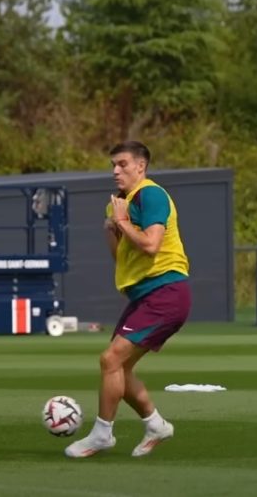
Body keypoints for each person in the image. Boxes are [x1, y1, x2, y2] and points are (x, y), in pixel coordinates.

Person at [65, 141, 191, 458]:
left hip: (166, 291)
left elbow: (151, 245)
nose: (115, 171)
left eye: (122, 164)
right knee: (120, 369)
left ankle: (102, 434)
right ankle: (156, 424)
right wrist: (112, 229)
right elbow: (121, 257)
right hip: (144, 296)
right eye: (113, 165)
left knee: (111, 360)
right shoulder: (118, 204)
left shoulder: (151, 194)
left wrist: (122, 223)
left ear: (141, 166)